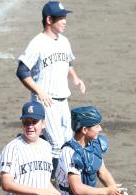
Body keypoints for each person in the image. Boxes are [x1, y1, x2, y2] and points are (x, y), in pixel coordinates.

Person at [16, 1, 86, 178]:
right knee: (56, 144)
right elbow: (22, 70)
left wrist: (76, 79)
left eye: (64, 17)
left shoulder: (64, 41)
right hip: (45, 101)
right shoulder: (37, 43)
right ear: (49, 20)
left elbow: (67, 63)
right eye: (61, 18)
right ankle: (52, 180)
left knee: (66, 141)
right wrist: (39, 91)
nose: (65, 21)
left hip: (63, 100)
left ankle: (31, 152)